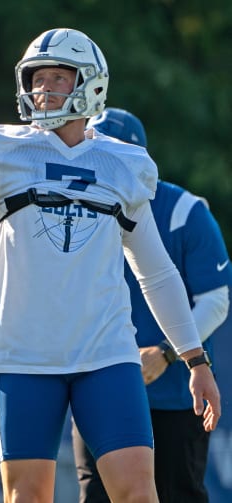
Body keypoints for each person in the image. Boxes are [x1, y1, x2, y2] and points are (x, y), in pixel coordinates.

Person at [0, 27, 221, 503]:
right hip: (24, 354)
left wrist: (195, 359)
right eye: (36, 78)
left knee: (137, 493)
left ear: (91, 85)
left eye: (57, 78)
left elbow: (157, 271)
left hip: (105, 351)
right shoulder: (1, 148)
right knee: (27, 497)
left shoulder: (123, 163)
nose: (43, 88)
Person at [71, 108, 231, 502]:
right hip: (98, 382)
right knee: (97, 496)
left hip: (173, 392)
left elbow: (216, 299)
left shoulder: (183, 211)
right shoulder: (70, 203)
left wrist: (166, 353)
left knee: (176, 494)